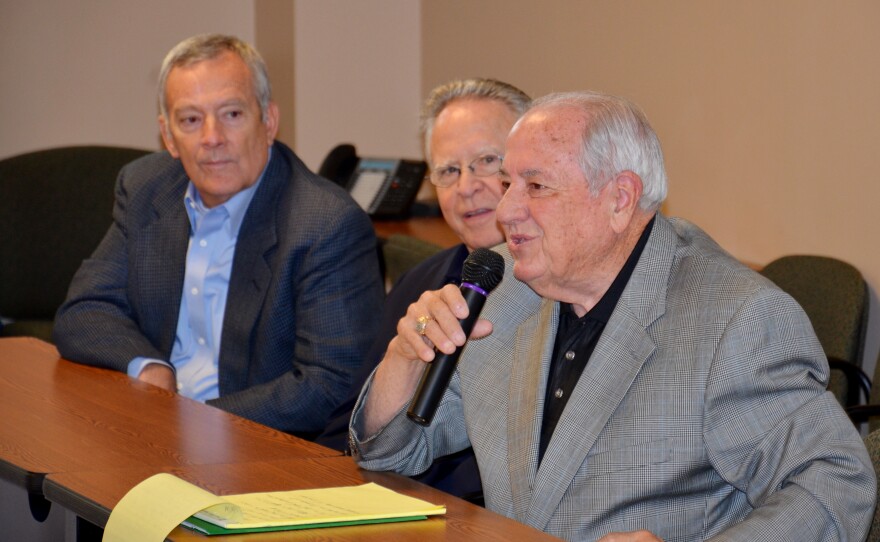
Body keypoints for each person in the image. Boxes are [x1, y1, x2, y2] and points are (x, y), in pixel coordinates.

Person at [350, 91, 877, 540]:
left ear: (619, 199)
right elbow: (393, 454)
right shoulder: (508, 288)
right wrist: (404, 357)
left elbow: (835, 481)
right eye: (509, 183)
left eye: (536, 187)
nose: (507, 210)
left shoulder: (735, 321)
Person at [52, 34, 384, 437]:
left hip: (256, 450)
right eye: (191, 120)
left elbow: (331, 385)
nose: (212, 138)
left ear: (269, 121)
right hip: (151, 430)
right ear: (169, 136)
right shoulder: (146, 187)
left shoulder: (324, 224)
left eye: (231, 114)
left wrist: (191, 423)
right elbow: (85, 308)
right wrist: (150, 367)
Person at [316, 78, 530, 501]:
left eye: (488, 161)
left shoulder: (553, 291)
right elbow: (346, 429)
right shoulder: (422, 280)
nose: (467, 187)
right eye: (449, 170)